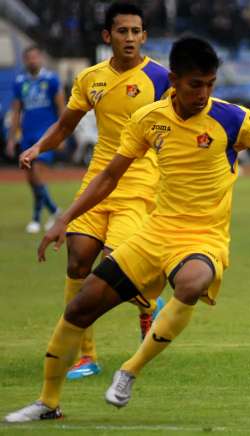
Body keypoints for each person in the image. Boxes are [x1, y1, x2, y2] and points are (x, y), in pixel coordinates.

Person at [4, 36, 250, 423]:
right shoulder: (148, 120)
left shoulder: (232, 118)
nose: (203, 93)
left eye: (210, 83)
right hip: (155, 233)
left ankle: (128, 370)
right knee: (79, 308)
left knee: (192, 283)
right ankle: (48, 403)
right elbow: (109, 176)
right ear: (174, 81)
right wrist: (64, 219)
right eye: (194, 84)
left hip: (204, 237)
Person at [17, 2, 169, 381]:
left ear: (144, 36)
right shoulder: (90, 79)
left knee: (115, 267)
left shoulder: (162, 79)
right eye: (122, 31)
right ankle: (86, 355)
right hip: (97, 180)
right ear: (108, 36)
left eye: (136, 32)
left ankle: (149, 301)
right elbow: (66, 125)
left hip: (139, 183)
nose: (130, 38)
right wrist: (38, 147)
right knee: (77, 262)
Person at [6, 46, 64, 234]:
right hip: (27, 134)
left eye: (35, 57)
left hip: (46, 134)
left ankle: (40, 217)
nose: (32, 61)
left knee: (37, 172)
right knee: (31, 179)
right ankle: (53, 213)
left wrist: (62, 134)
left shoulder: (51, 79)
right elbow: (16, 111)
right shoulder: (20, 82)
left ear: (41, 58)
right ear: (25, 60)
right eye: (29, 58)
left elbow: (61, 108)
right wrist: (11, 139)